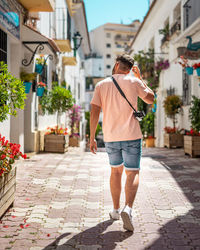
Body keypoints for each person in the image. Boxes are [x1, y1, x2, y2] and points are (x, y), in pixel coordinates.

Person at [89, 54, 154, 231]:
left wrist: (92, 137)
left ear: (117, 65)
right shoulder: (135, 82)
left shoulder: (101, 85)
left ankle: (116, 210)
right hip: (132, 135)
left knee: (116, 172)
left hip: (110, 137)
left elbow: (94, 112)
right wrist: (140, 79)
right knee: (132, 172)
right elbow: (150, 98)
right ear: (130, 68)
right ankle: (129, 208)